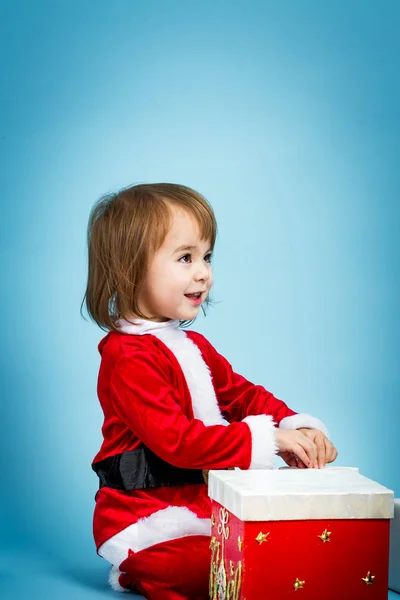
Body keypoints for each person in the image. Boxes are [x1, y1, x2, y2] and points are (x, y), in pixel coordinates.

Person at [82, 183, 338, 600]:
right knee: (214, 565)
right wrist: (269, 440)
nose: (204, 272)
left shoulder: (192, 346)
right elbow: (176, 442)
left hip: (203, 507)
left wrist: (295, 425)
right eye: (185, 258)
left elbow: (242, 395)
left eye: (207, 257)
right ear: (130, 269)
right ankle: (138, 568)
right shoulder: (127, 356)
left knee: (278, 544)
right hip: (147, 515)